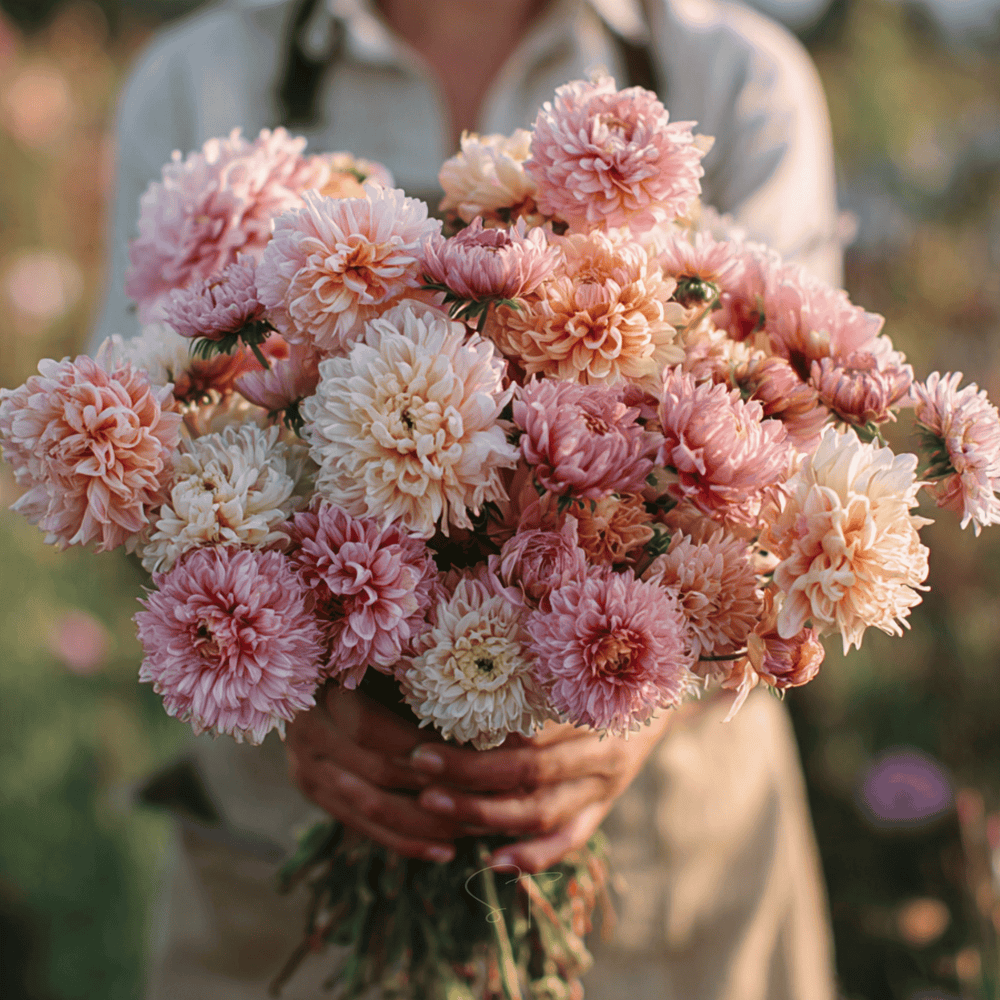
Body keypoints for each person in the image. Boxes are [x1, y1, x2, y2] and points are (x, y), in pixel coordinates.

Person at [93, 1, 842, 997]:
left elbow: (793, 462)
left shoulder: (738, 78)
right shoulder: (196, 80)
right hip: (292, 841)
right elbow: (122, 461)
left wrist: (631, 679)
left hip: (662, 862)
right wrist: (290, 683)